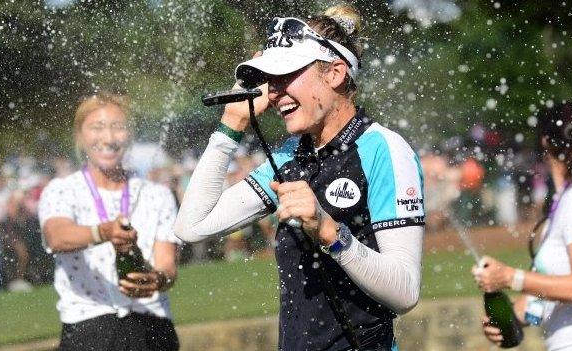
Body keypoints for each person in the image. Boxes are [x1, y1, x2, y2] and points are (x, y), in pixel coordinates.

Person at [175, 5, 425, 350]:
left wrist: (329, 231)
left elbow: (406, 292)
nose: (273, 92)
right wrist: (232, 122)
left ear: (335, 73)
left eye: (286, 75)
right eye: (270, 79)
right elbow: (192, 227)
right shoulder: (289, 155)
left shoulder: (385, 149)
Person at [38, 91, 180, 350]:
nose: (109, 137)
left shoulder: (157, 194)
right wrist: (103, 232)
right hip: (88, 330)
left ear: (130, 135)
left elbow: (168, 268)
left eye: (118, 127)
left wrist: (157, 280)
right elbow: (56, 236)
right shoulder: (62, 190)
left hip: (151, 327)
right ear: (80, 136)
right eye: (97, 127)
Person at [472, 102, 572, 350]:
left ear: (544, 142)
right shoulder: (568, 200)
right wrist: (512, 319)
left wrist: (510, 277)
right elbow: (547, 300)